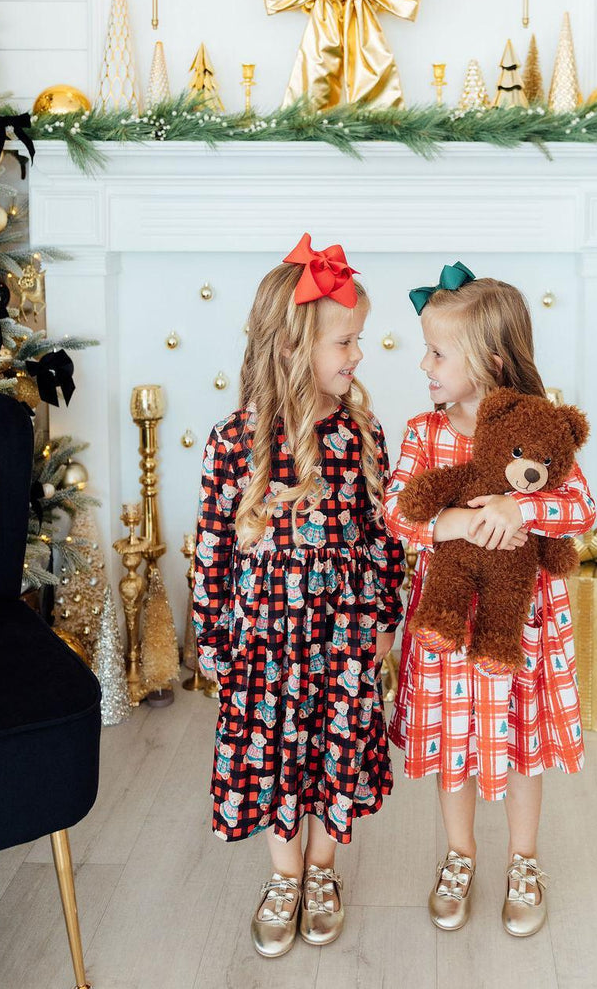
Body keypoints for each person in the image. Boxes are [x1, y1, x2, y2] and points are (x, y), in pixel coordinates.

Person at [193, 234, 404, 958]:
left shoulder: (360, 434)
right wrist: (214, 638)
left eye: (359, 339)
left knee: (331, 752)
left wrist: (384, 618)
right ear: (292, 345)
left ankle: (323, 873)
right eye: (345, 340)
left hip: (339, 635)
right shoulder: (233, 443)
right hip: (264, 640)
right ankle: (284, 878)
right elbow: (212, 549)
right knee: (279, 751)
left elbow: (384, 534)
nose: (358, 355)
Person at [384, 265, 596, 938]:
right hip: (451, 624)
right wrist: (447, 522)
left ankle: (524, 861)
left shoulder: (541, 427)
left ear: (491, 360)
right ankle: (460, 855)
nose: (425, 363)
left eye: (439, 352)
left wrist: (521, 505)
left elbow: (580, 506)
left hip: (522, 626)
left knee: (522, 746)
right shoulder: (424, 431)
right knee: (456, 745)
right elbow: (395, 509)